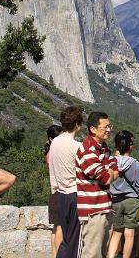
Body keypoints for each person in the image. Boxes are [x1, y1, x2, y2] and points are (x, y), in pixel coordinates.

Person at [75, 111, 118, 258]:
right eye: (105, 127)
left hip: (105, 207)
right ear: (93, 129)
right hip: (92, 212)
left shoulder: (104, 148)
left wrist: (108, 172)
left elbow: (115, 170)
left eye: (109, 126)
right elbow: (106, 178)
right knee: (92, 254)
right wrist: (109, 172)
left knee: (103, 252)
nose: (109, 130)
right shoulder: (86, 150)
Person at [107, 130, 139, 258]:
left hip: (115, 200)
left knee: (116, 232)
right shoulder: (135, 164)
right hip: (131, 201)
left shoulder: (110, 162)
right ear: (130, 146)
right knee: (129, 235)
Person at [49, 106, 83, 258]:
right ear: (77, 124)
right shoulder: (77, 146)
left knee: (66, 239)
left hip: (60, 194)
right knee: (75, 241)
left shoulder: (54, 142)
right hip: (75, 194)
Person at [45, 124, 63, 258]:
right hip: (59, 191)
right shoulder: (54, 153)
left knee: (56, 228)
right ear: (51, 139)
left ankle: (54, 254)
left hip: (54, 191)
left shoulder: (49, 152)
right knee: (60, 227)